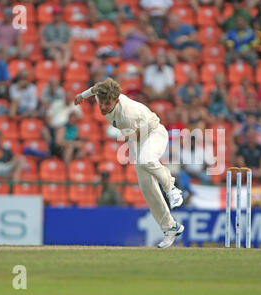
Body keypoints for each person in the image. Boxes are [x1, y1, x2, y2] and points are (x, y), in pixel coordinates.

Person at [74, 77, 184, 248]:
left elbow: (138, 135)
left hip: (154, 133)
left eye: (107, 104)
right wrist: (82, 95)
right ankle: (171, 227)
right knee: (147, 188)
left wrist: (122, 137)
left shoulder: (127, 114)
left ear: (116, 101)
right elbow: (96, 88)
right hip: (140, 142)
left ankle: (172, 189)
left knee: (146, 159)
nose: (103, 107)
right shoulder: (101, 96)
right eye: (101, 103)